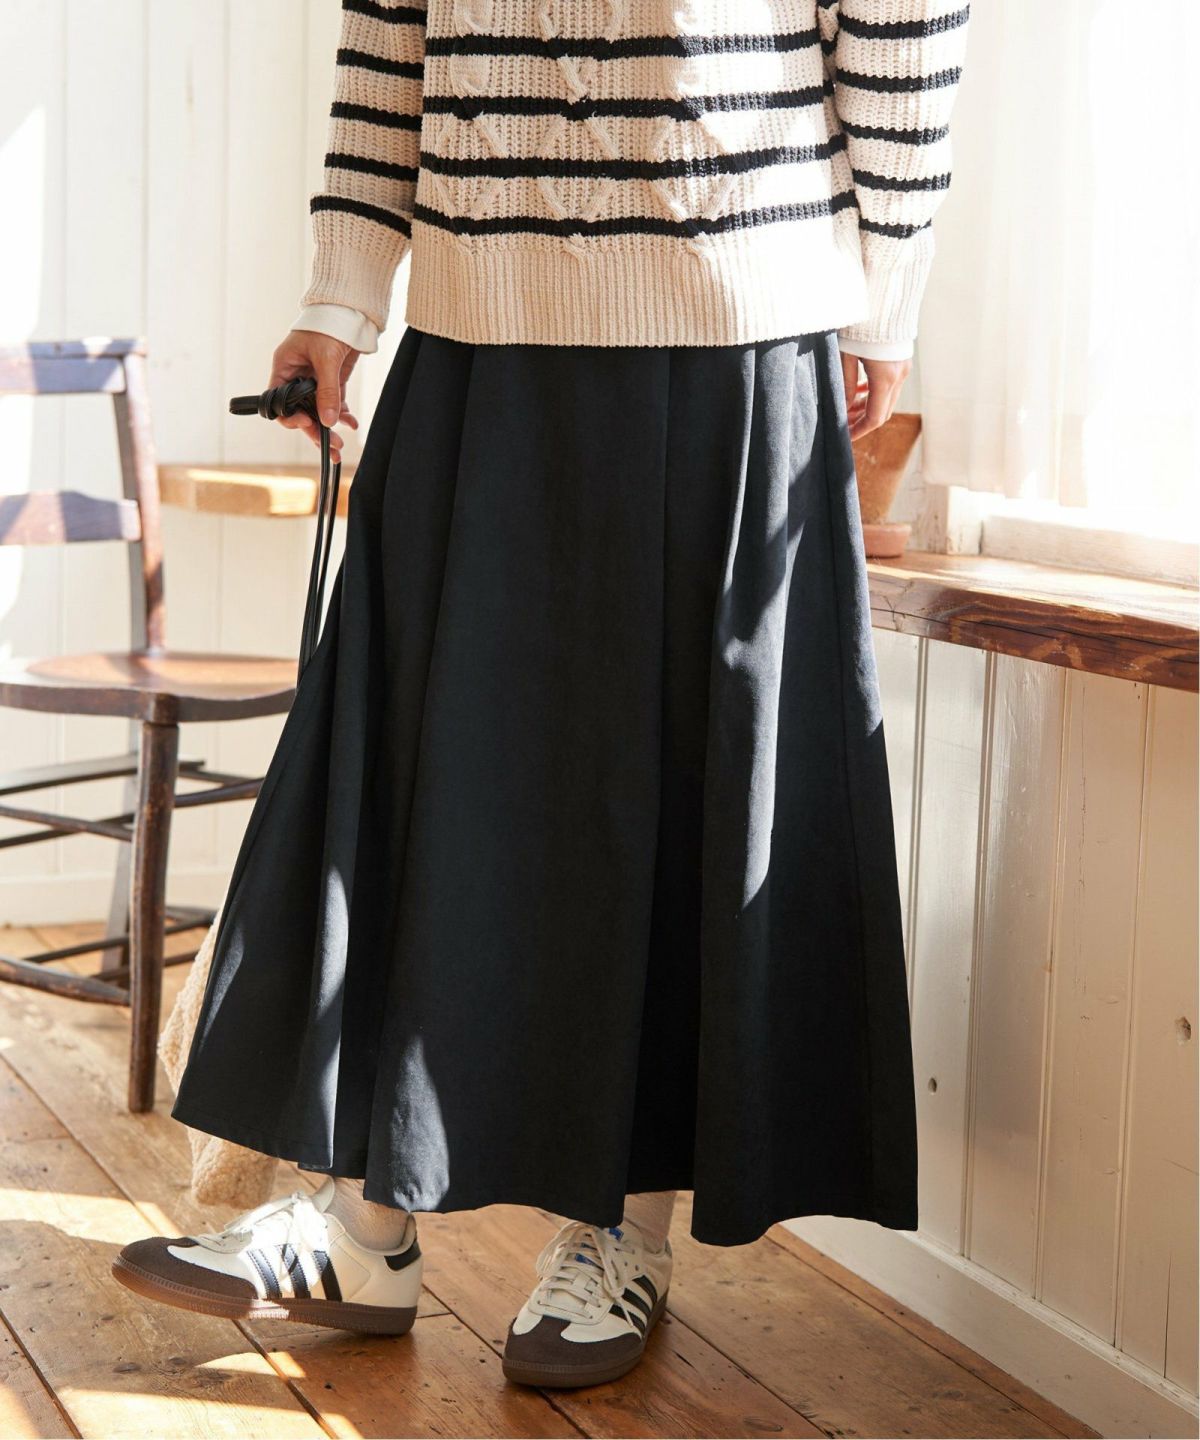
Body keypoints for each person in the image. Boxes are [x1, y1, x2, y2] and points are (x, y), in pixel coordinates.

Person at [112, 0, 967, 1390]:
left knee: (680, 782)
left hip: (728, 319)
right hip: (474, 323)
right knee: (420, 767)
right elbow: (391, 38)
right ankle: (363, 1228)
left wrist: (888, 294)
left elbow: (903, 25)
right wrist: (340, 296)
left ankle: (621, 1232)